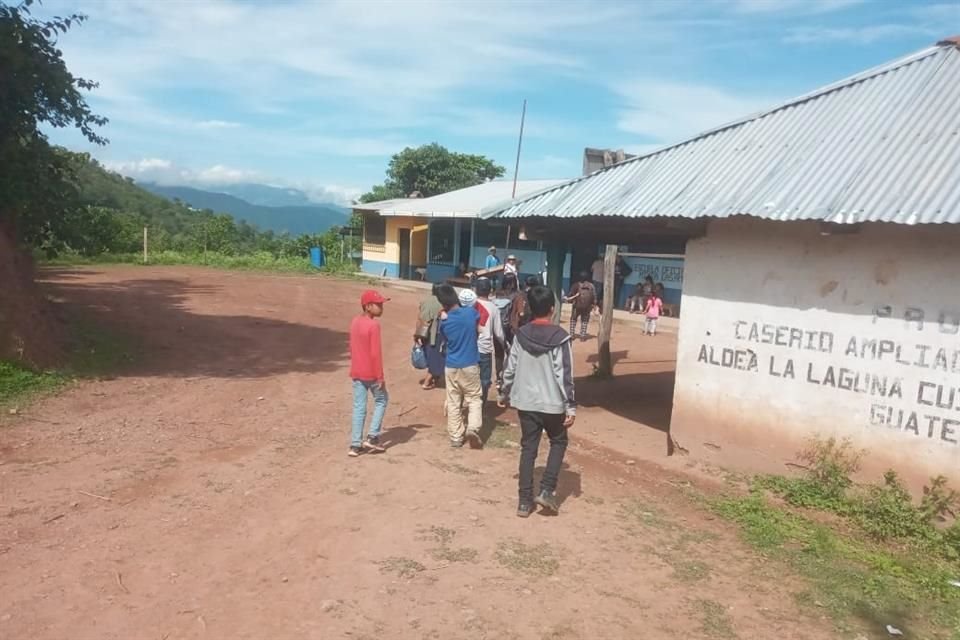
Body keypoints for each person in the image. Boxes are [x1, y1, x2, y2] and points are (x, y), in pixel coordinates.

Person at [499, 286, 576, 517]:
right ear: (552, 309)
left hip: (525, 402)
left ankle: (524, 502)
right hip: (553, 404)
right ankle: (546, 489)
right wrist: (570, 405)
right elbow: (564, 375)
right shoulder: (560, 338)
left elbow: (509, 368)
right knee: (558, 442)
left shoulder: (521, 335)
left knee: (528, 448)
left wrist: (504, 392)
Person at [438, 285, 483, 448]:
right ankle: (473, 427)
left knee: (453, 400)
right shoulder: (471, 313)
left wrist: (444, 316)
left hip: (451, 365)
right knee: (474, 398)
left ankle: (456, 437)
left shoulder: (444, 321)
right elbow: (479, 325)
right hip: (470, 362)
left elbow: (444, 338)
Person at [348, 290, 390, 457]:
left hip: (357, 371)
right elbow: (375, 354)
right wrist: (380, 377)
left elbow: (352, 347)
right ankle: (372, 436)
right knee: (382, 399)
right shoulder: (373, 326)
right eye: (378, 305)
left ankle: (355, 445)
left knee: (359, 407)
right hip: (371, 373)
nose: (381, 308)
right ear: (368, 306)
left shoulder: (355, 321)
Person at [474, 278, 504, 405]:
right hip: (484, 349)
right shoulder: (494, 308)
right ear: (490, 291)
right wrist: (505, 345)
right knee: (484, 379)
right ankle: (481, 403)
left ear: (475, 290)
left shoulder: (470, 304)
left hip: (469, 347)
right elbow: (499, 333)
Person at [415, 284, 444, 390]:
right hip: (436, 334)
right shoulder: (442, 303)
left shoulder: (424, 301)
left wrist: (417, 335)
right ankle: (427, 381)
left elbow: (420, 318)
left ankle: (434, 379)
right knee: (437, 357)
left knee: (430, 355)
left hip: (424, 333)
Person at [564, 272, 596, 341]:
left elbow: (570, 295)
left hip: (577, 306)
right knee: (584, 320)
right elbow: (594, 297)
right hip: (587, 307)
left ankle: (572, 335)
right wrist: (593, 305)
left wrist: (570, 299)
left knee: (573, 319)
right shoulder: (591, 286)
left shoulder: (576, 285)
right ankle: (582, 336)